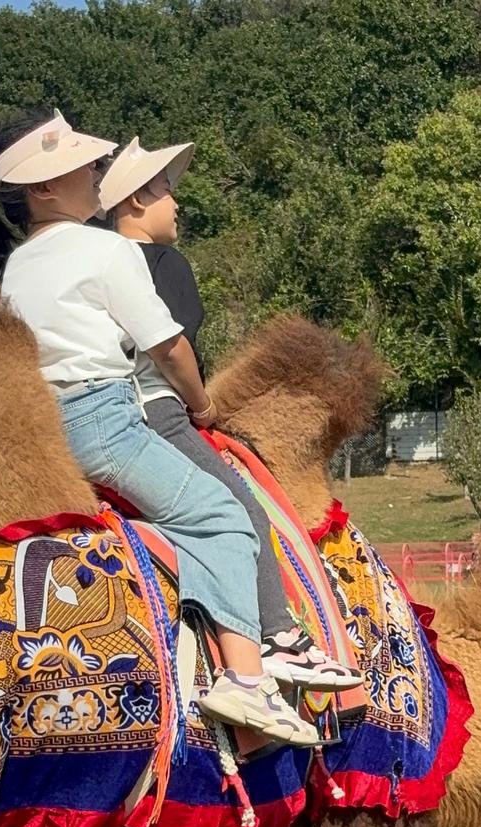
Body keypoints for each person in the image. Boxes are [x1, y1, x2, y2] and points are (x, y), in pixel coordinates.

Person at [0, 109, 360, 745]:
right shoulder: (106, 249)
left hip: (42, 434)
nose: (97, 171)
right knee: (223, 514)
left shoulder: (17, 267)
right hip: (106, 423)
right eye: (83, 165)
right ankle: (248, 677)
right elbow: (169, 347)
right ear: (44, 188)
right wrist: (201, 406)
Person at [98, 137, 359, 683]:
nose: (176, 203)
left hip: (93, 415)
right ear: (136, 201)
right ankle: (276, 635)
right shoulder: (164, 263)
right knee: (241, 510)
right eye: (165, 190)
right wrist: (203, 406)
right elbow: (172, 349)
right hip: (157, 412)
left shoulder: (91, 265)